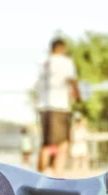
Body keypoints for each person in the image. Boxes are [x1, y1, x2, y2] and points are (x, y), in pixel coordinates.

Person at [36, 38, 80, 176]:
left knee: (46, 144)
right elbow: (71, 80)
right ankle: (57, 177)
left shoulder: (44, 64)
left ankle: (41, 176)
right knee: (63, 144)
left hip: (44, 108)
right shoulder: (64, 62)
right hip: (59, 107)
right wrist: (78, 95)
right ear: (61, 48)